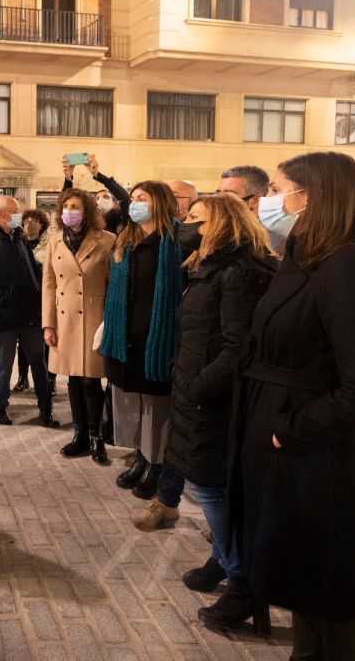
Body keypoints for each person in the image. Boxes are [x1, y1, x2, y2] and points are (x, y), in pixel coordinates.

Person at [225, 152, 355, 655]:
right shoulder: (306, 256)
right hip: (284, 449)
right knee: (303, 588)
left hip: (316, 458)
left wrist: (292, 429)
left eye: (279, 189)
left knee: (333, 597)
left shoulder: (351, 266)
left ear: (312, 196)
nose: (269, 201)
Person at [131, 197, 275, 608]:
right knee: (210, 481)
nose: (186, 224)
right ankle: (227, 563)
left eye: (196, 218)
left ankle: (241, 578)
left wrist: (197, 385)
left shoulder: (238, 272)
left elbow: (237, 346)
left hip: (213, 397)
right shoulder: (209, 266)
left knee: (211, 487)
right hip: (197, 389)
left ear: (223, 225)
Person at [99, 181, 186, 499]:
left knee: (157, 408)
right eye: (133, 199)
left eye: (142, 199)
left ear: (159, 203)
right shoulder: (126, 240)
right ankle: (140, 457)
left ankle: (157, 465)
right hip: (126, 338)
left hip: (157, 340)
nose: (134, 204)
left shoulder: (177, 240)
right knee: (132, 404)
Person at [42, 188, 116, 463]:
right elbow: (49, 285)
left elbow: (114, 285)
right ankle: (80, 435)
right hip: (64, 320)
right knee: (72, 379)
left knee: (90, 380)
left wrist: (112, 321)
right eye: (66, 206)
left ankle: (97, 438)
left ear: (87, 211)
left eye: (76, 206)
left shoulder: (107, 240)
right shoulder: (54, 241)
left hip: (94, 318)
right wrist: (48, 324)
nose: (70, 211)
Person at [0, 195, 54, 427]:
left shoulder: (19, 237)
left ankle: (45, 408)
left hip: (30, 313)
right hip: (4, 315)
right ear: (0, 215)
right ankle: (0, 406)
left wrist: (41, 285)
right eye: (15, 212)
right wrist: (1, 299)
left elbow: (31, 267)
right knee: (4, 364)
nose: (20, 216)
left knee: (39, 362)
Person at [15, 208, 54, 396]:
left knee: (47, 342)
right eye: (27, 220)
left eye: (35, 220)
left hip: (43, 300)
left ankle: (50, 379)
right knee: (22, 343)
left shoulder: (50, 245)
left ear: (42, 225)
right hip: (22, 301)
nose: (30, 223)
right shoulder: (17, 243)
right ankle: (23, 377)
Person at [63, 153, 130, 234]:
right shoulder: (88, 223)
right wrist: (68, 179)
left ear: (115, 203)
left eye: (106, 197)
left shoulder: (123, 220)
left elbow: (125, 198)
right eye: (97, 198)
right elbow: (65, 202)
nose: (101, 200)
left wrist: (97, 174)